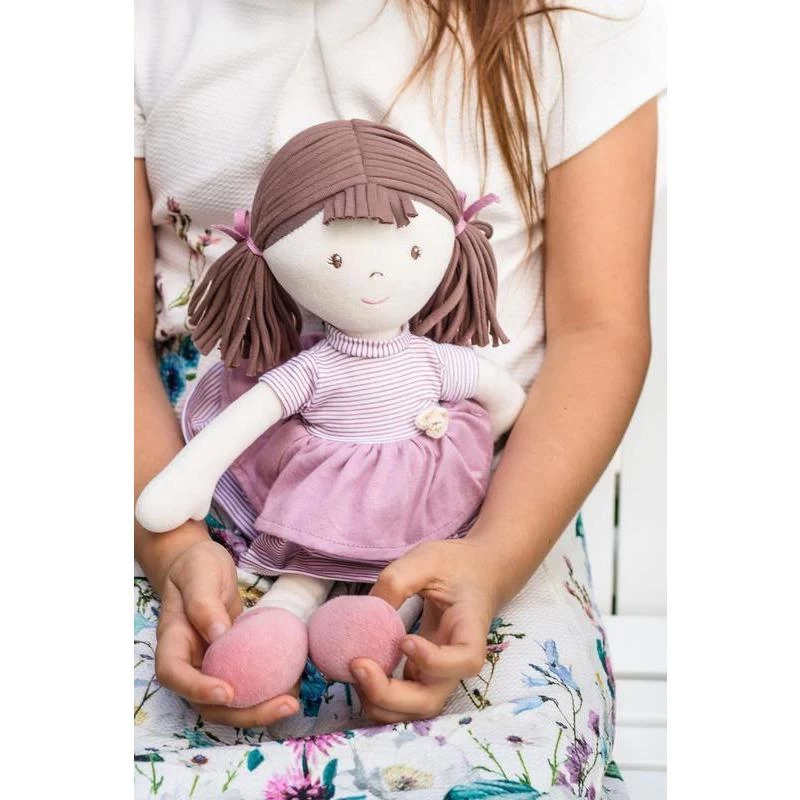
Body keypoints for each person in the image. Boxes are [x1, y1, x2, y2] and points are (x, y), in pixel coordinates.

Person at [134, 1, 665, 797]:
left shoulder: (572, 25)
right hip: (199, 486)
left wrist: (494, 560)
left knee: (507, 760)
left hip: (489, 510)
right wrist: (174, 552)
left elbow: (600, 332)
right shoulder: (134, 25)